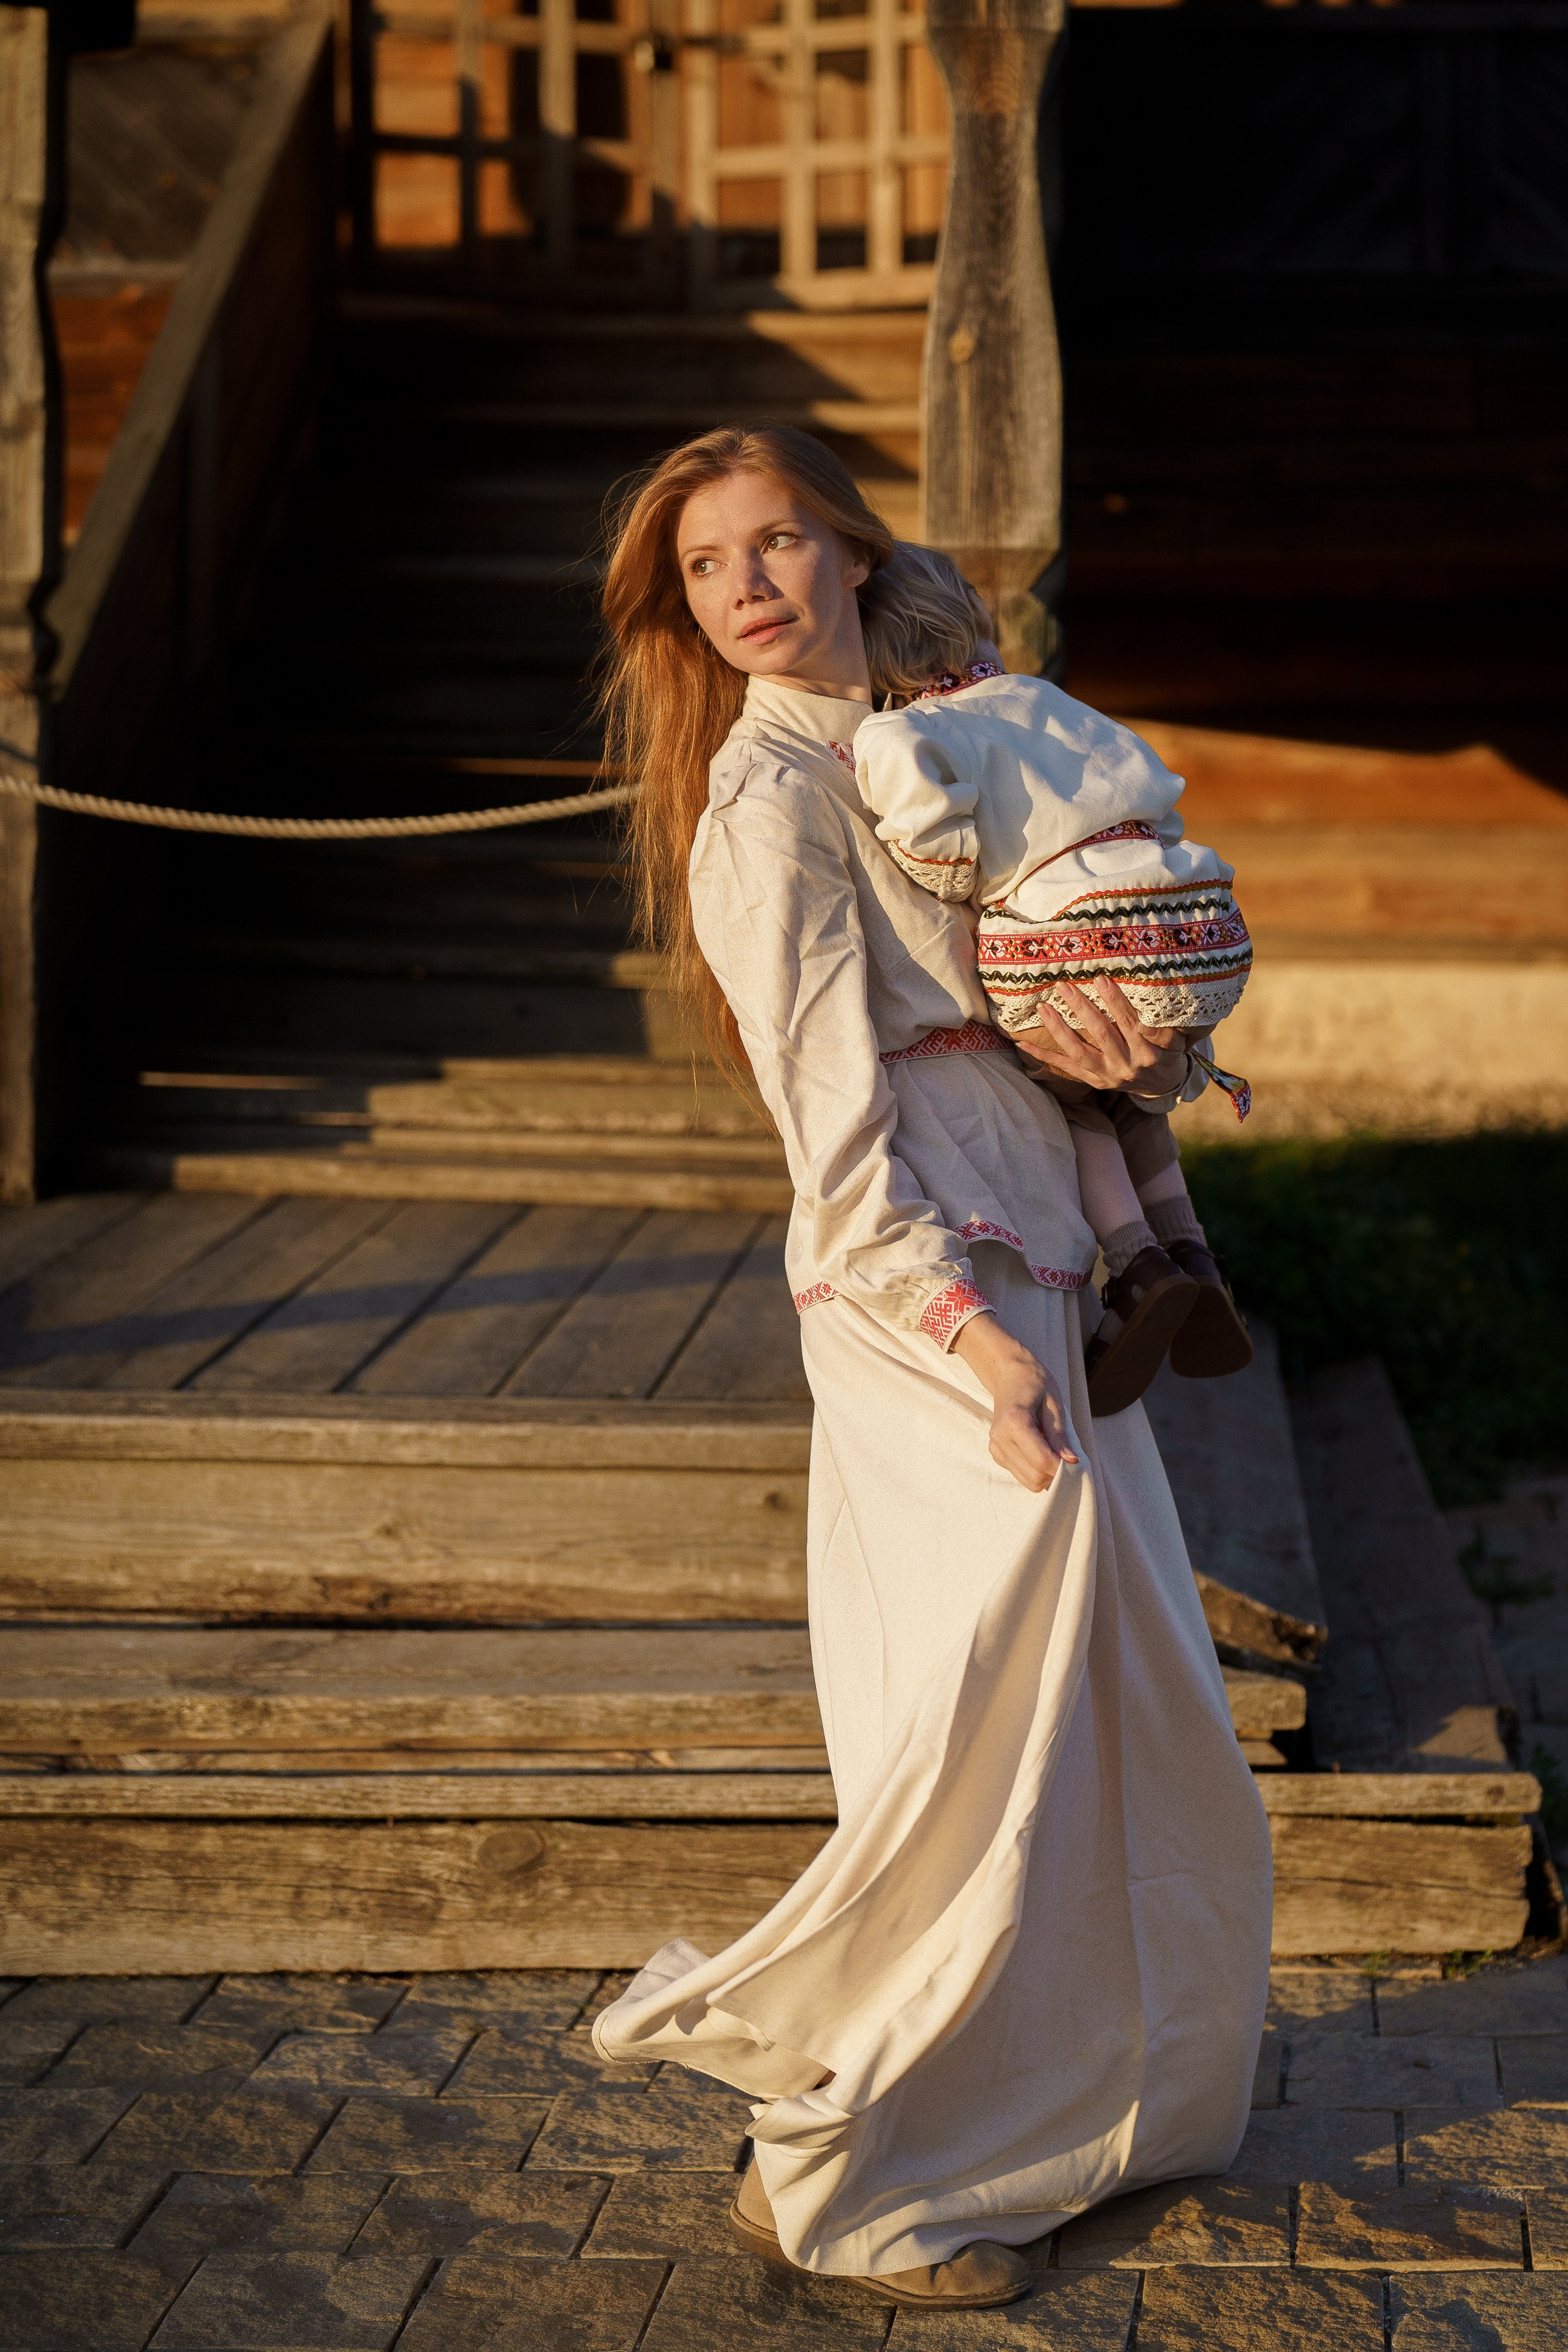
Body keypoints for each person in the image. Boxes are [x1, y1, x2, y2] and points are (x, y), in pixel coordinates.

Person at [587, 423, 1273, 2313]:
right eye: (711, 560)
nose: (748, 581)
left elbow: (1049, 981)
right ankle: (853, 2175)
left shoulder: (932, 745)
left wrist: (1141, 1035)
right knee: (977, 1738)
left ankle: (1061, 2104)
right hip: (930, 1315)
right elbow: (827, 1130)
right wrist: (970, 1348)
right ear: (687, 609)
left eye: (778, 540)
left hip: (1043, 1254)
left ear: (843, 553)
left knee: (1115, 1714)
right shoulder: (763, 807)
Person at [852, 541, 1255, 1414]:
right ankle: (1192, 1254)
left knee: (1075, 1097)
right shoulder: (1047, 698)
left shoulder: (900, 729)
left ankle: (1139, 1266)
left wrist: (956, 880)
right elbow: (1155, 788)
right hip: (1181, 918)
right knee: (1129, 1081)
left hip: (1070, 936)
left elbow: (931, 835)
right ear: (974, 616)